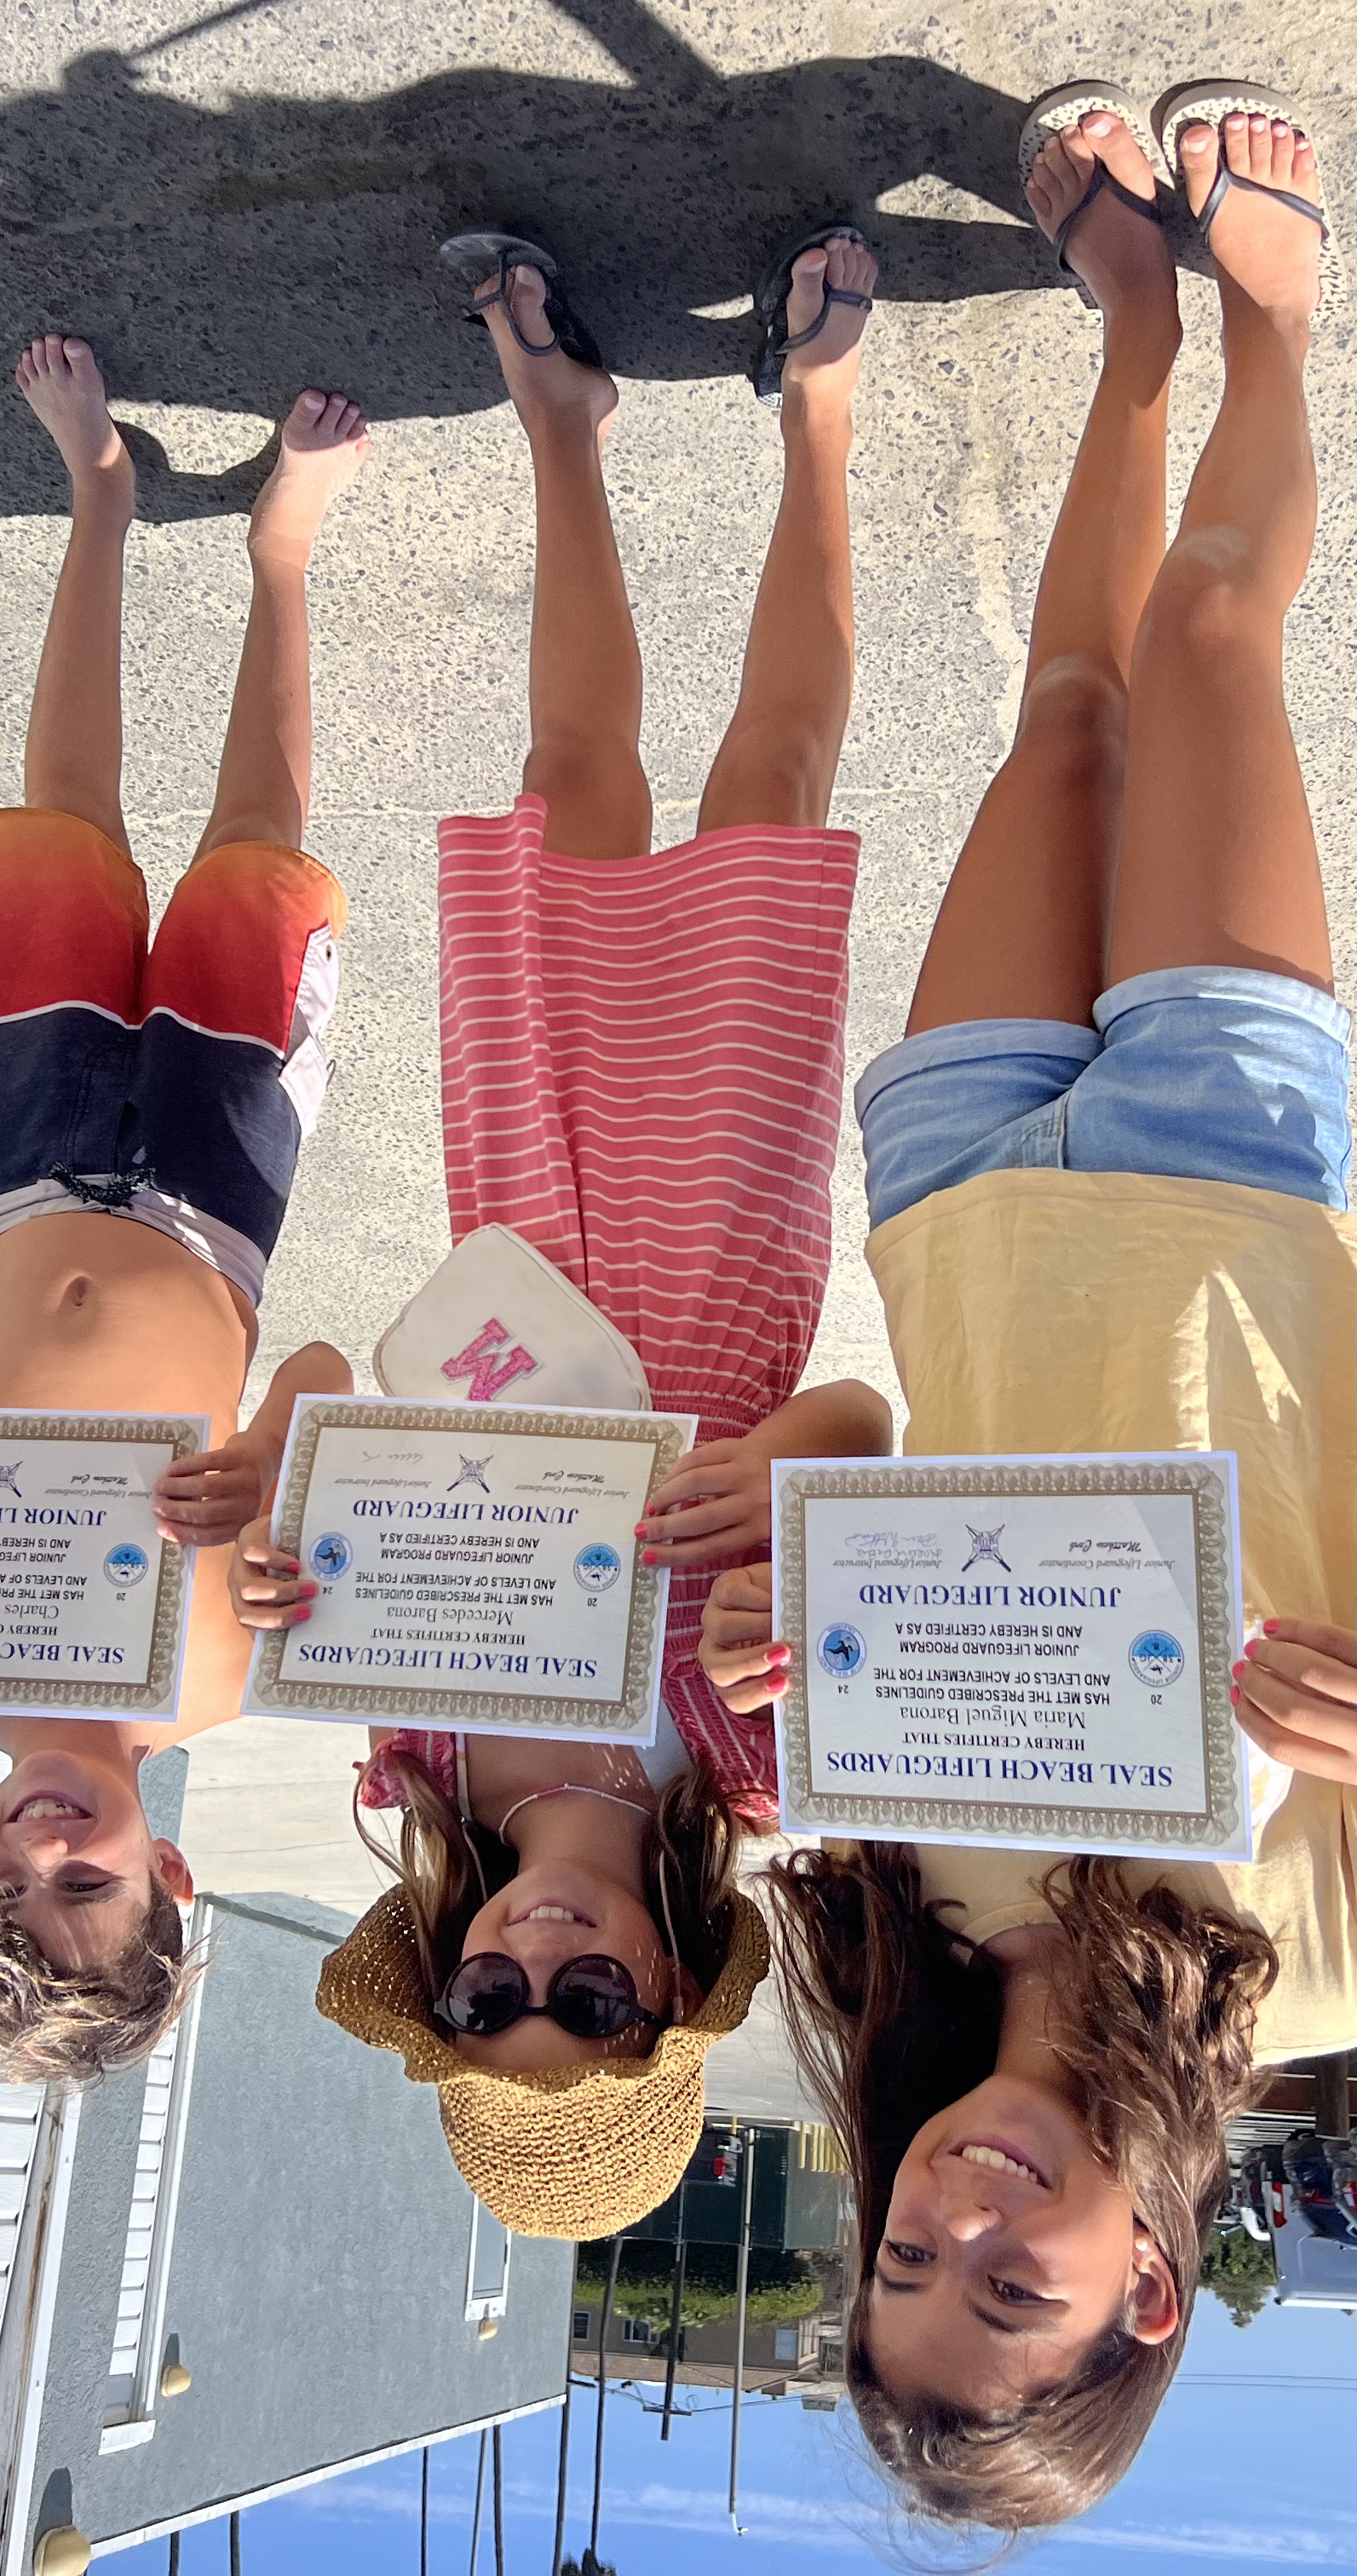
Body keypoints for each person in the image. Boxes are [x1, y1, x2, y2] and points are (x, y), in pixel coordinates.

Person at [695, 91, 1357, 2531]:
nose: (956, 2218)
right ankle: (1274, 319)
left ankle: (1139, 328)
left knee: (1066, 709)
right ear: (1148, 2287)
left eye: (901, 2257)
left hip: (959, 1206)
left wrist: (788, 1547)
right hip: (1228, 1196)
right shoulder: (1334, 1972)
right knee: (1208, 641)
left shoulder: (893, 1919)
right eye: (1008, 2287)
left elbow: (870, 1448)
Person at [302, 225, 894, 2241]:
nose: (541, 1974)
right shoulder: (759, 1762)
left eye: (491, 2012)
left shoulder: (401, 1741)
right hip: (720, 1263)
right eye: (596, 2014)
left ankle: (562, 426)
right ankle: (819, 424)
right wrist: (777, 1472)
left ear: (444, 1981)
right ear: (674, 1988)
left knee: (563, 786)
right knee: (769, 788)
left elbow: (327, 1406)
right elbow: (864, 1422)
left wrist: (288, 1505)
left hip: (522, 1245)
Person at [0, 337, 374, 2089]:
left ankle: (98, 499)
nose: (41, 1847)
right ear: (171, 1871)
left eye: (6, 1881)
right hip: (216, 1196)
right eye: (86, 1885)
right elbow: (320, 1365)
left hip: (14, 1164)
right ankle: (280, 552)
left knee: (64, 819)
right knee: (255, 842)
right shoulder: (232, 1673)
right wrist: (283, 1457)